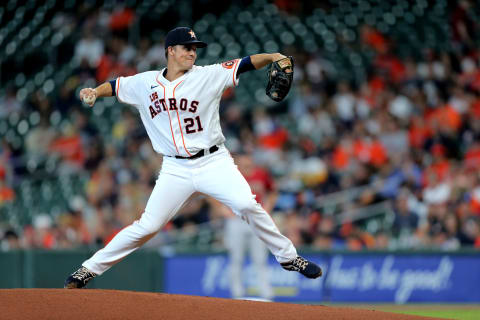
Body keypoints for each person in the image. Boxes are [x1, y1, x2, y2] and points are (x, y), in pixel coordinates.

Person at [64, 27, 322, 289]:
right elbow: (116, 85)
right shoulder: (145, 82)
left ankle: (289, 258)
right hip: (175, 168)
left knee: (246, 204)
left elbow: (245, 63)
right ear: (170, 51)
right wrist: (95, 92)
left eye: (195, 48)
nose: (192, 52)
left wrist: (273, 56)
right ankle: (87, 270)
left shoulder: (208, 75)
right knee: (148, 226)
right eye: (187, 47)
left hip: (213, 162)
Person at [222, 153, 276, 300]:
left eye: (248, 160)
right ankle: (237, 293)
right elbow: (212, 193)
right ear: (238, 162)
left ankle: (266, 293)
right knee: (236, 258)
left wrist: (268, 207)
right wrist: (221, 209)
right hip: (236, 219)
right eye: (243, 160)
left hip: (256, 219)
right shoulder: (230, 174)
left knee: (260, 258)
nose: (247, 162)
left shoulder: (261, 174)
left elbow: (272, 192)